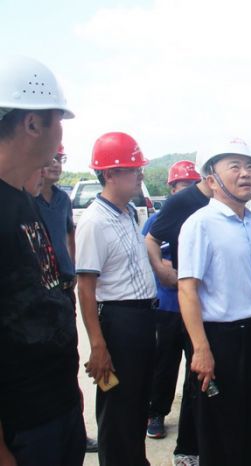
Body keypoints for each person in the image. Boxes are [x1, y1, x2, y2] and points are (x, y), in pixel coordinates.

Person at [0, 54, 86, 466]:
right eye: (59, 120)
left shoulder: (24, 198)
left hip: (56, 407)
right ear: (32, 123)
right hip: (23, 425)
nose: (61, 133)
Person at [177, 138, 251, 466]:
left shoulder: (249, 221)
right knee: (221, 432)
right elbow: (187, 290)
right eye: (234, 166)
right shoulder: (200, 224)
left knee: (250, 424)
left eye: (249, 165)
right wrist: (200, 349)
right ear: (211, 180)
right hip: (219, 340)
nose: (246, 173)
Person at [76, 132, 157, 466]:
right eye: (133, 169)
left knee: (137, 402)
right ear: (110, 174)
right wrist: (98, 344)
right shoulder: (94, 222)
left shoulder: (128, 212)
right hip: (119, 322)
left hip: (142, 319)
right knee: (117, 407)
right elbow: (85, 288)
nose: (140, 175)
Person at [145, 156, 212, 466]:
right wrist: (163, 271)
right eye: (181, 185)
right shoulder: (160, 219)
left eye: (191, 184)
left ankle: (195, 429)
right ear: (172, 188)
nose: (186, 189)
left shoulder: (206, 213)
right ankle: (156, 413)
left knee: (195, 368)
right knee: (164, 363)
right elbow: (150, 248)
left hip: (195, 307)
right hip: (168, 304)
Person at [35, 144, 100, 453]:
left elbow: (69, 233)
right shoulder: (25, 198)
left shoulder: (62, 199)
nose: (56, 164)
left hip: (62, 289)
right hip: (37, 293)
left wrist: (72, 267)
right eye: (50, 158)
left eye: (59, 158)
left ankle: (76, 432)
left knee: (68, 358)